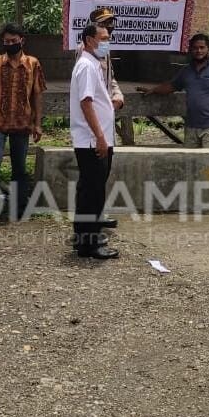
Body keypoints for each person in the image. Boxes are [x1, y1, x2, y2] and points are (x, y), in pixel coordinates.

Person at [0, 23, 46, 217]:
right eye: (6, 41)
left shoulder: (33, 64)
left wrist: (37, 123)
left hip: (22, 122)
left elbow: (37, 95)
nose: (9, 44)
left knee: (19, 166)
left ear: (21, 41)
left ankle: (19, 206)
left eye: (13, 41)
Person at [140, 33, 209, 148]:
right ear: (191, 50)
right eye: (195, 48)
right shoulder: (186, 71)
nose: (199, 51)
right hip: (191, 126)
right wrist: (153, 90)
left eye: (202, 47)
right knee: (192, 163)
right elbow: (171, 86)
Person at [71, 23, 118, 259]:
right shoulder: (87, 66)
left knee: (89, 190)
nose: (107, 42)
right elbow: (86, 103)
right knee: (93, 192)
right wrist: (100, 137)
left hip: (95, 139)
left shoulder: (94, 65)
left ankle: (84, 238)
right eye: (104, 38)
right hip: (92, 141)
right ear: (90, 40)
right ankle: (90, 244)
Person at [77, 6, 124, 111]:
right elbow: (85, 85)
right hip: (93, 109)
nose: (109, 26)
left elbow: (109, 78)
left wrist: (118, 95)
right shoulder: (85, 48)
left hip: (106, 107)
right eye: (105, 23)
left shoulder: (104, 48)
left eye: (111, 22)